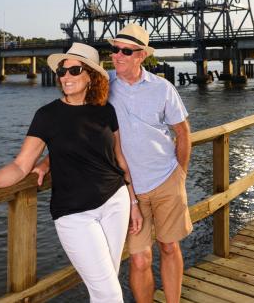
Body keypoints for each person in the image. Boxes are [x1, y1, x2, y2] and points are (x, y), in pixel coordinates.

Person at [0, 43, 142, 303]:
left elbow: (119, 159)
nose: (65, 77)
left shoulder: (105, 110)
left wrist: (133, 201)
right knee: (111, 294)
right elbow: (20, 166)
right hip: (73, 213)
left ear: (90, 75)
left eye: (74, 70)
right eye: (62, 72)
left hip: (116, 202)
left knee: (105, 286)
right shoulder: (47, 115)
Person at [108, 23, 192, 303]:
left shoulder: (162, 88)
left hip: (166, 179)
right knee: (140, 259)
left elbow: (182, 132)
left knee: (169, 247)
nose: (117, 56)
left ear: (141, 55)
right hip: (128, 189)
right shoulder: (102, 86)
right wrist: (47, 163)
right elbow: (71, 123)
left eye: (125, 51)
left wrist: (181, 174)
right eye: (114, 50)